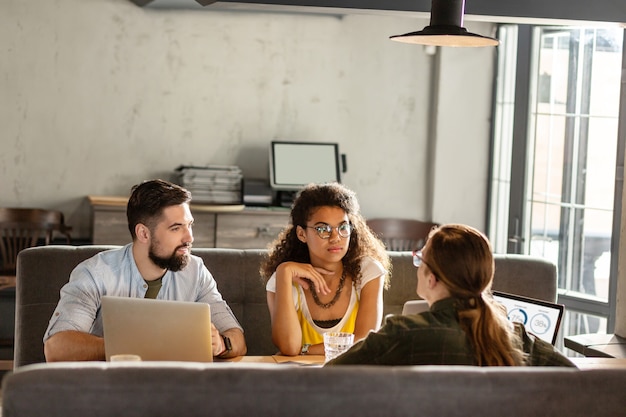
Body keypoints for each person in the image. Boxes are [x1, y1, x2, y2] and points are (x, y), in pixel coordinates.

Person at [43, 179, 246, 361]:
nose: (189, 238)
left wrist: (221, 344)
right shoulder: (95, 274)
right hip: (107, 389)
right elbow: (57, 348)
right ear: (143, 233)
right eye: (176, 228)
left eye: (189, 225)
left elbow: (237, 339)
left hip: (176, 389)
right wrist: (138, 348)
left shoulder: (196, 272)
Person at [326, 223, 574, 367]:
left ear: (432, 278)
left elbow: (329, 374)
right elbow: (575, 379)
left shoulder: (401, 333)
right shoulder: (515, 337)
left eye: (420, 259)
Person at [260, 182, 391, 356]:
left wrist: (305, 350)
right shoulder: (284, 278)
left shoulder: (367, 271)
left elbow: (363, 342)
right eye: (323, 229)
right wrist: (284, 271)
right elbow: (289, 347)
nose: (335, 237)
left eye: (343, 227)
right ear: (302, 234)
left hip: (352, 375)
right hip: (301, 379)